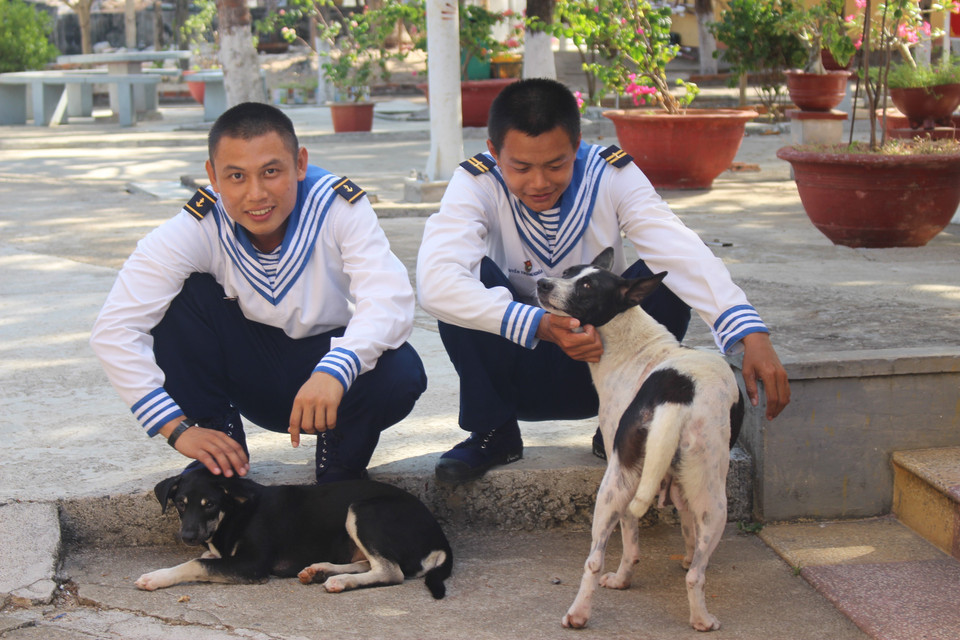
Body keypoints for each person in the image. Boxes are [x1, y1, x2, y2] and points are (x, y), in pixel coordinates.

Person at [416, 78, 790, 485]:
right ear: (493, 151)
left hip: (607, 366)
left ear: (577, 146)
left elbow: (679, 249)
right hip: (515, 368)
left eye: (556, 165)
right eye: (521, 167)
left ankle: (622, 425)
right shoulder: (476, 182)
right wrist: (541, 325)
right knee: (462, 284)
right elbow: (435, 281)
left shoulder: (612, 175)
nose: (539, 182)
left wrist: (749, 332)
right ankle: (493, 431)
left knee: (661, 275)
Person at [91, 102, 426, 483]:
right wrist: (175, 427)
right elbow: (115, 329)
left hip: (332, 381)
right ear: (212, 176)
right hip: (253, 373)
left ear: (299, 164)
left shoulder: (336, 207)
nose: (256, 194)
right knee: (180, 298)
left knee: (401, 370)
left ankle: (341, 466)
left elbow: (390, 298)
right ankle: (219, 452)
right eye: (235, 176)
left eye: (271, 171)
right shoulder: (197, 226)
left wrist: (338, 368)